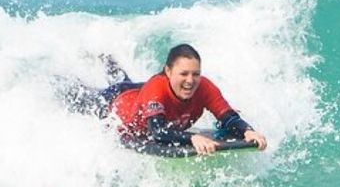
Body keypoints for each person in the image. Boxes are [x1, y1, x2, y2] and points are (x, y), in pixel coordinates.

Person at [61, 44, 267, 155]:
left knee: (129, 82)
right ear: (168, 71)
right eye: (184, 74)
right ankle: (59, 80)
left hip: (140, 94)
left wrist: (248, 130)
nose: (190, 81)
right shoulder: (156, 89)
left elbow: (228, 117)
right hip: (116, 104)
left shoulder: (204, 87)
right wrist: (192, 138)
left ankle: (108, 61)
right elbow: (158, 132)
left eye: (196, 74)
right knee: (79, 97)